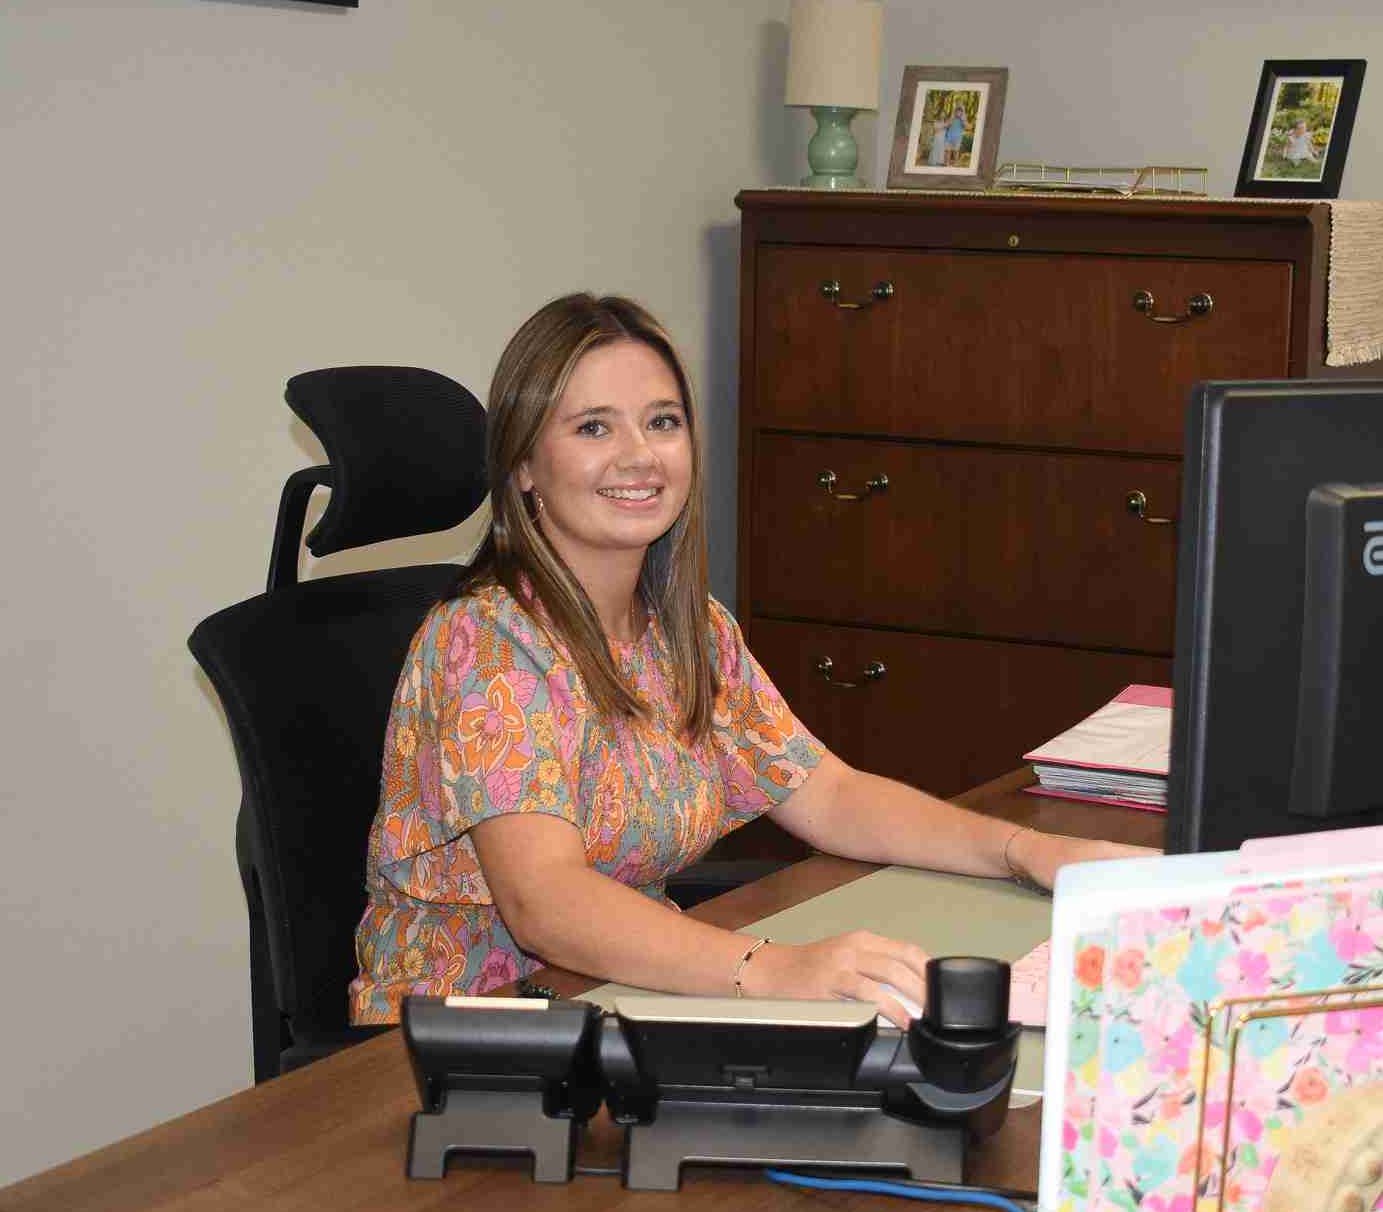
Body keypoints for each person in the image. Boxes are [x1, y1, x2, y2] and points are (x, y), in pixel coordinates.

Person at [351, 293, 1152, 1028]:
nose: (640, 455)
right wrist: (775, 969)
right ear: (524, 466)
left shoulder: (687, 629)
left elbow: (828, 794)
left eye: (663, 422)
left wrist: (1025, 852)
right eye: (594, 427)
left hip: (618, 995)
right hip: (461, 1036)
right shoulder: (488, 643)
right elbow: (546, 903)